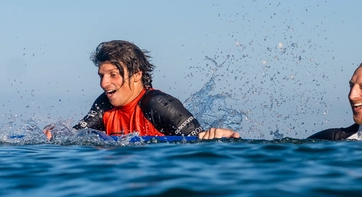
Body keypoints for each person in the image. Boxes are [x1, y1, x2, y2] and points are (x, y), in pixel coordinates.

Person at [46, 40, 239, 140]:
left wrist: (219, 138)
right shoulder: (104, 105)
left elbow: (199, 143)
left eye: (113, 74)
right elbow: (78, 138)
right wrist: (56, 135)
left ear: (137, 74)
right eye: (101, 76)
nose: (104, 84)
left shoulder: (159, 105)